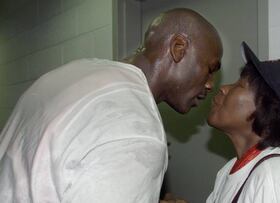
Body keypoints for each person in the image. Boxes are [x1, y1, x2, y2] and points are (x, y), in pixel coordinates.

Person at [0, 8, 222, 202]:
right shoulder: (137, 129)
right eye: (210, 69)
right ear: (178, 48)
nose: (210, 84)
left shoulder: (69, 73)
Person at [206, 42, 280, 203]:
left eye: (239, 85)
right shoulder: (229, 170)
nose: (224, 88)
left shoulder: (276, 177)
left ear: (268, 109)